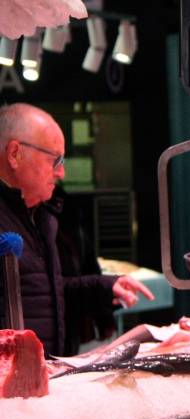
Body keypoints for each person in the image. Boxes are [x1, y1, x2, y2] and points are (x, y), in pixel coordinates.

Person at [0, 103, 154, 356]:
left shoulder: (39, 215)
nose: (61, 172)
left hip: (41, 378)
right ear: (15, 154)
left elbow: (40, 292)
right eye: (55, 160)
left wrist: (103, 287)